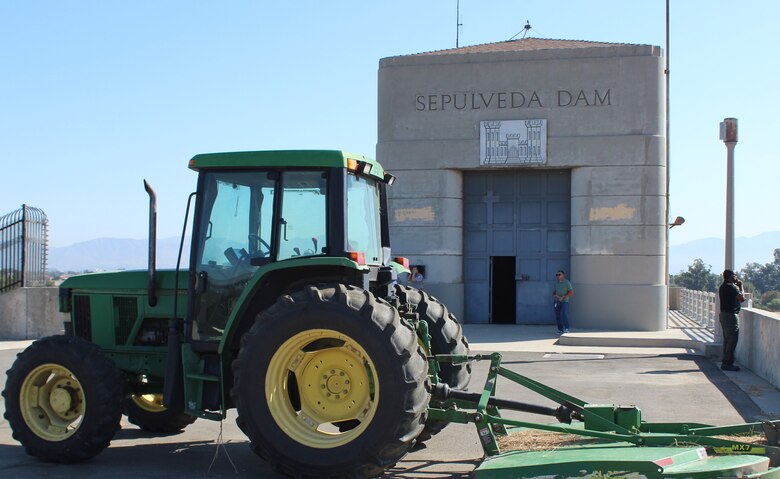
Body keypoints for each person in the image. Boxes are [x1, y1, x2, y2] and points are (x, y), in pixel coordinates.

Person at [718, 269, 745, 371]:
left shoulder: (723, 286)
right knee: (732, 340)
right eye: (735, 276)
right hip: (730, 315)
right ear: (730, 277)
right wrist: (741, 286)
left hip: (724, 315)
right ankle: (728, 363)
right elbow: (742, 298)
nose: (736, 278)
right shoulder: (730, 287)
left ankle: (725, 361)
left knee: (727, 339)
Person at [552, 270, 574, 334]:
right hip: (557, 301)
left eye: (559, 274)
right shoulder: (556, 283)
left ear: (563, 275)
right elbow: (553, 293)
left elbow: (571, 292)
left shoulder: (567, 282)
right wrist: (556, 296)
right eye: (557, 275)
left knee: (565, 314)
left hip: (565, 301)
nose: (558, 276)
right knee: (558, 316)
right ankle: (560, 329)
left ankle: (567, 328)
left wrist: (563, 297)